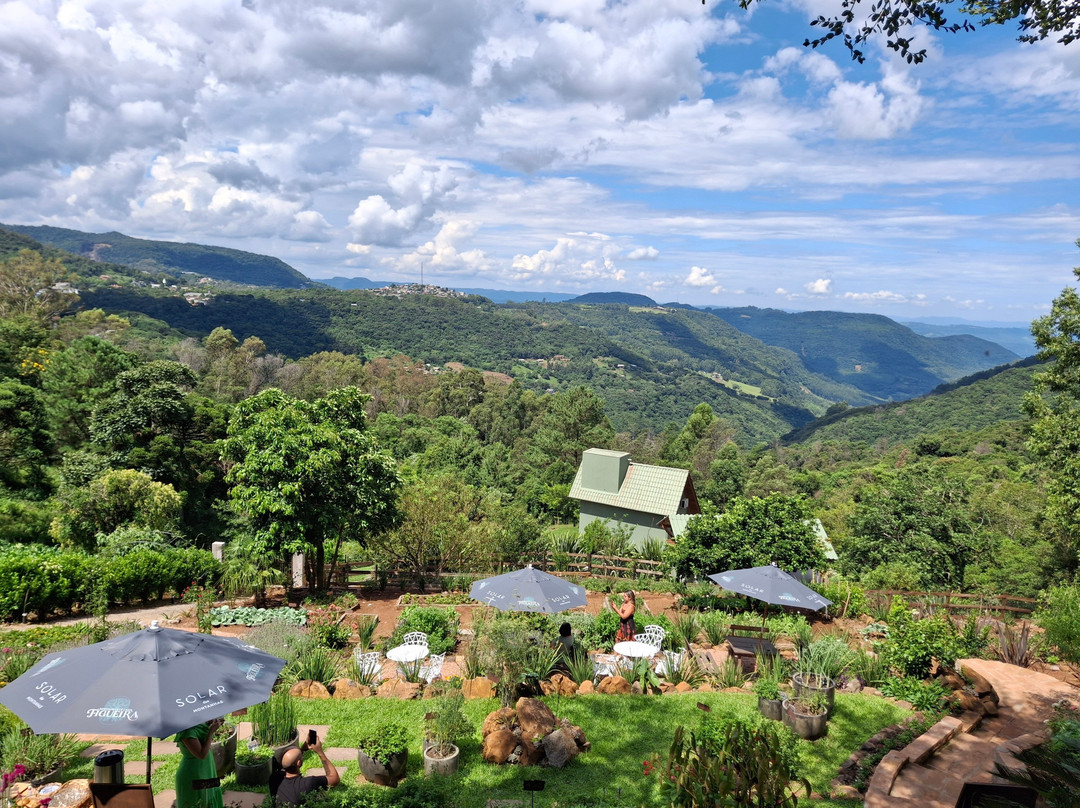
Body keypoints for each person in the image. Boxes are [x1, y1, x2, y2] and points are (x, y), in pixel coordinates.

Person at [270, 734, 340, 807]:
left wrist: (303, 749)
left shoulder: (274, 779)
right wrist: (320, 752)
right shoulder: (308, 783)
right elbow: (335, 778)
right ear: (299, 763)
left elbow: (288, 762)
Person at [174, 718, 225, 808]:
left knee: (209, 799)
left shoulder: (195, 722)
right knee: (198, 803)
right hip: (193, 773)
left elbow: (202, 737)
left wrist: (210, 723)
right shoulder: (186, 732)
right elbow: (201, 754)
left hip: (206, 769)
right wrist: (211, 732)